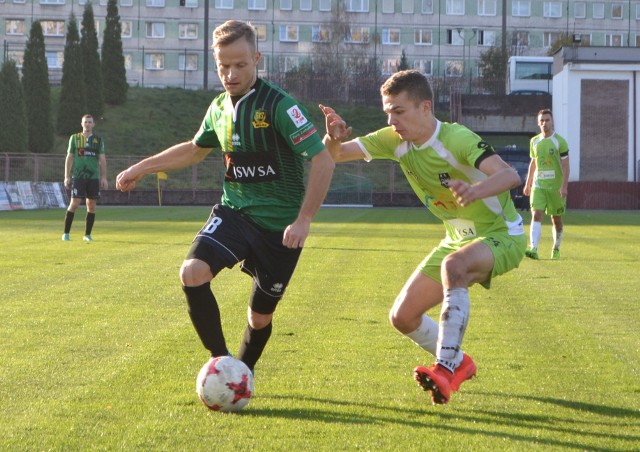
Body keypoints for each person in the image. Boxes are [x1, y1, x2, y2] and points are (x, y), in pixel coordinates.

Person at [116, 20, 335, 376]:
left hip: (280, 229)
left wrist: (304, 219)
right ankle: (221, 363)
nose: (231, 74)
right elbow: (193, 150)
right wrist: (140, 168)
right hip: (234, 213)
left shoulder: (280, 106)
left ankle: (241, 375)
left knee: (259, 317)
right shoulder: (219, 108)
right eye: (223, 66)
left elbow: (323, 159)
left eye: (240, 65)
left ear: (257, 59)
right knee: (192, 272)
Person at [320, 70, 525, 405]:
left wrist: (476, 190)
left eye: (398, 111)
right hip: (456, 237)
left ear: (425, 107)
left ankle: (445, 368)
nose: (392, 120)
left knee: (454, 265)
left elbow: (509, 175)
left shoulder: (456, 139)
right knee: (402, 317)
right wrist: (334, 138)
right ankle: (460, 363)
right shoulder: (394, 140)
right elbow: (337, 155)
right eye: (388, 112)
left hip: (503, 234)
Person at [523, 109, 570, 260]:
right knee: (536, 214)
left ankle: (556, 247)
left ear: (552, 121)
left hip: (555, 188)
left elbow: (566, 166)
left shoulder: (560, 142)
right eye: (541, 120)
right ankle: (533, 248)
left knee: (556, 219)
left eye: (547, 120)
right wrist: (528, 182)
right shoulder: (534, 141)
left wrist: (564, 186)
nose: (544, 123)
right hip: (539, 186)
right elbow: (533, 162)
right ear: (538, 123)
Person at [62, 114, 108, 242]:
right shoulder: (74, 138)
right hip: (78, 176)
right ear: (82, 124)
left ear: (93, 124)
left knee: (91, 205)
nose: (87, 124)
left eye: (90, 122)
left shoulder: (98, 140)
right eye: (85, 122)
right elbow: (69, 157)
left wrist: (104, 177)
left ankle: (87, 235)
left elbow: (102, 159)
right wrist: (66, 176)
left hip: (93, 177)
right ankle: (66, 233)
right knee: (75, 203)